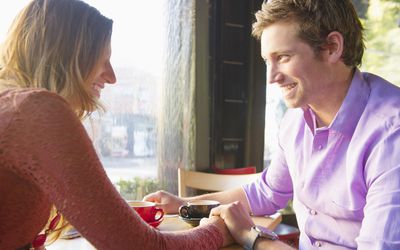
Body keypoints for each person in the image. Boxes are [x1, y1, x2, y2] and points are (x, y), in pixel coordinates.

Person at [144, 0, 400, 249]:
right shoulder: (296, 120)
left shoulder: (391, 132)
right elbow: (267, 193)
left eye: (284, 57)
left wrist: (252, 237)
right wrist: (182, 203)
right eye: (268, 60)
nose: (271, 77)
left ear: (332, 47)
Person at [0, 0, 232, 249]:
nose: (112, 77)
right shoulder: (36, 110)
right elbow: (138, 246)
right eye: (103, 60)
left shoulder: (13, 107)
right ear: (69, 56)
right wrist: (219, 229)